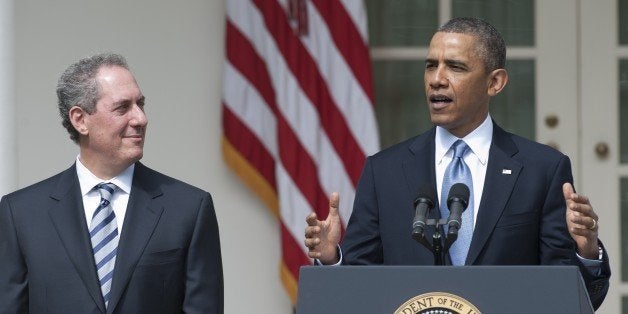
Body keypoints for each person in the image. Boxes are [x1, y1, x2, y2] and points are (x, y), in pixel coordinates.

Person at [304, 17, 610, 309]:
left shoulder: (542, 169)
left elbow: (567, 297)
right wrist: (332, 260)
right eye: (430, 66)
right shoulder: (384, 171)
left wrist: (585, 251)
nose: (437, 79)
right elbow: (359, 284)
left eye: (455, 67)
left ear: (495, 82)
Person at [0, 53, 223, 313]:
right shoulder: (22, 214)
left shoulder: (189, 209)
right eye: (122, 107)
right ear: (80, 119)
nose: (140, 118)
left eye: (140, 104)